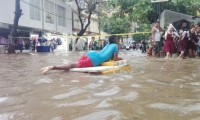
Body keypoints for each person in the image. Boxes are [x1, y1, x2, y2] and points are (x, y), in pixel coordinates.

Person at [40, 36, 123, 74]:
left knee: (73, 64)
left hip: (91, 54)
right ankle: (53, 67)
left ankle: (53, 68)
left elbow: (110, 57)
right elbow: (115, 59)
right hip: (94, 60)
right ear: (115, 40)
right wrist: (120, 58)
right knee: (72, 65)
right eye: (117, 40)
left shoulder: (108, 45)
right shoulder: (115, 45)